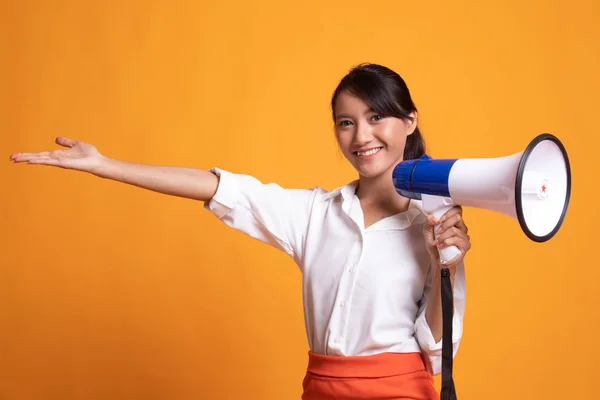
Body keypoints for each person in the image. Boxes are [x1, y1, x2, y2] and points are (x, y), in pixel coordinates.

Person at [10, 63, 470, 400]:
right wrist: (105, 165)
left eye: (376, 117)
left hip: (400, 392)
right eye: (346, 122)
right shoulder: (315, 214)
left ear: (408, 122)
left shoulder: (433, 224)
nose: (361, 136)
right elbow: (219, 187)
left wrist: (443, 262)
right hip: (321, 391)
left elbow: (434, 349)